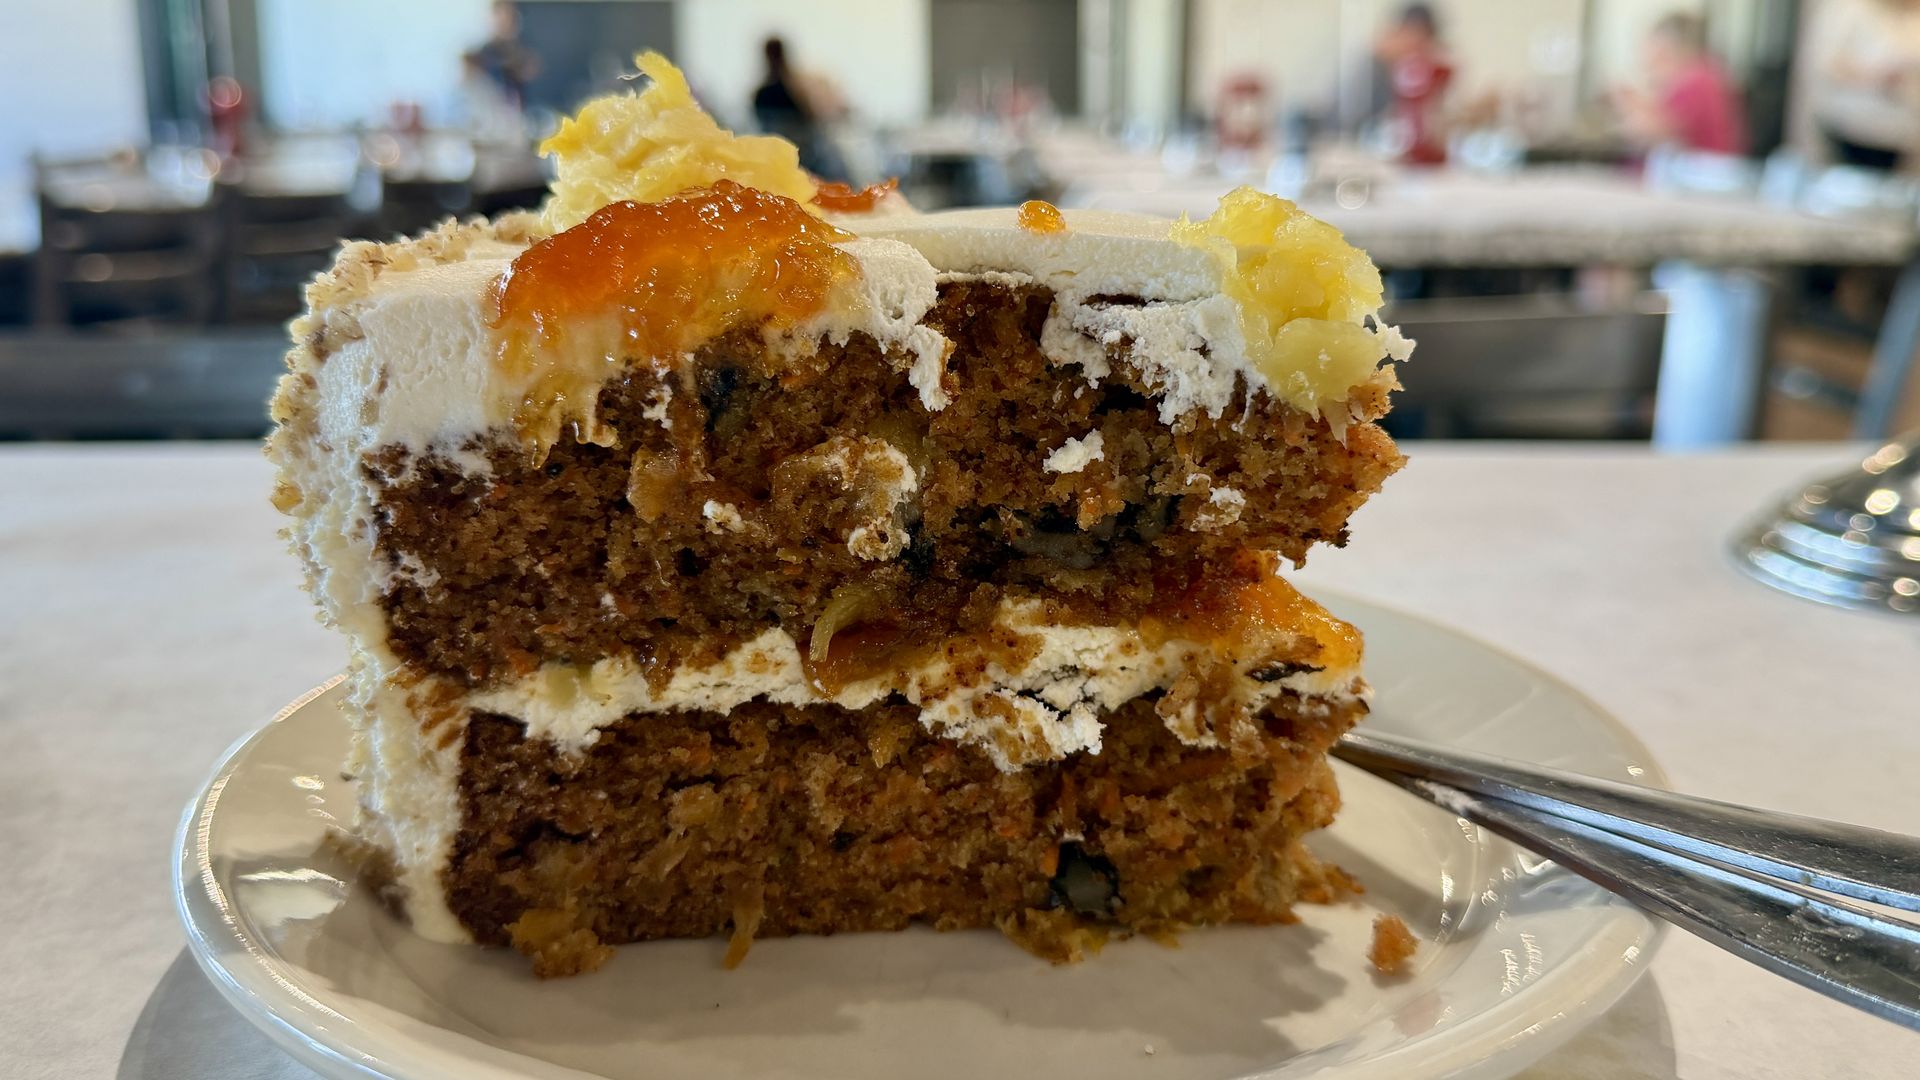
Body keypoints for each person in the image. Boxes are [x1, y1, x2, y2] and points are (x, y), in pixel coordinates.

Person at [1806, 0, 1920, 170]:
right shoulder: (1852, 8)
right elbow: (1827, 63)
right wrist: (1878, 77)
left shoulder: (1911, 16)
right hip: (1853, 126)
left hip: (1898, 133)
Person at [1613, 13, 1746, 156]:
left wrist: (1627, 102)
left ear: (1666, 46)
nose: (1646, 55)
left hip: (1700, 166)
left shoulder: (1696, 80)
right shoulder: (1702, 73)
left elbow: (1653, 131)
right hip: (1693, 164)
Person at [752, 37, 847, 180]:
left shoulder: (794, 89)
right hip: (785, 158)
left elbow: (813, 117)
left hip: (806, 156)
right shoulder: (766, 92)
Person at [1372, 4, 1454, 165]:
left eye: (1424, 38)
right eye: (1412, 34)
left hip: (1424, 154)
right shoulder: (1378, 66)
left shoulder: (1438, 70)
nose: (1416, 44)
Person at [466, 1, 540, 110]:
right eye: (503, 16)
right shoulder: (479, 56)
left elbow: (531, 73)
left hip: (519, 115)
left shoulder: (523, 54)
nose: (507, 22)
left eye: (512, 16)